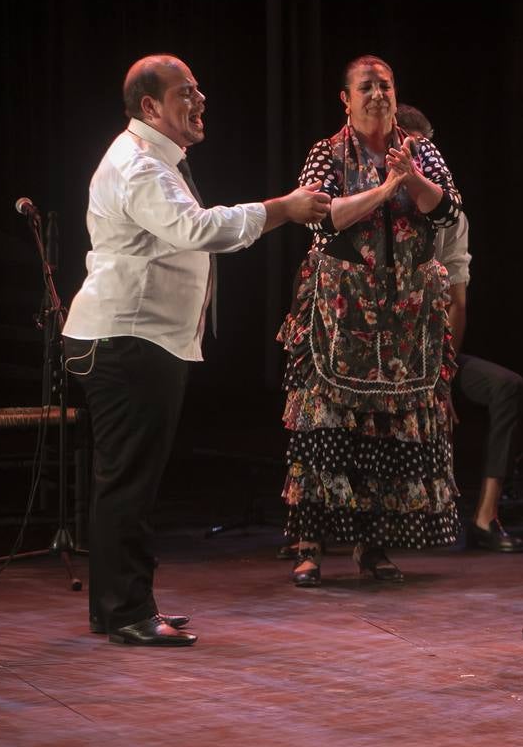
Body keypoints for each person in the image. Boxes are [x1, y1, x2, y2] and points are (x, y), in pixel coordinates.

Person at [62, 54, 331, 646]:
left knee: (125, 481)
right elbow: (197, 229)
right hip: (129, 339)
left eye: (199, 87)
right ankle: (128, 610)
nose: (201, 99)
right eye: (187, 91)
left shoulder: (155, 160)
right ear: (151, 107)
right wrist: (281, 209)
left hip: (135, 338)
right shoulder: (139, 166)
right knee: (129, 482)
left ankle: (120, 605)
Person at [277, 56, 463, 587]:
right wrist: (385, 189)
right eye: (367, 86)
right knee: (325, 423)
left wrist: (413, 178)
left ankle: (373, 545)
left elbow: (448, 210)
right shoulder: (326, 151)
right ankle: (309, 544)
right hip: (340, 306)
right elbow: (322, 214)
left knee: (385, 428)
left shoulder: (419, 148)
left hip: (403, 309)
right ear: (347, 98)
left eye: (385, 85)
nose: (378, 94)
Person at [397, 103, 523, 553]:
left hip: (433, 351)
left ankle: (485, 517)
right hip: (380, 355)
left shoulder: (449, 217)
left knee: (507, 387)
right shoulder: (375, 210)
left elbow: (457, 300)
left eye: (425, 155)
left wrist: (443, 375)